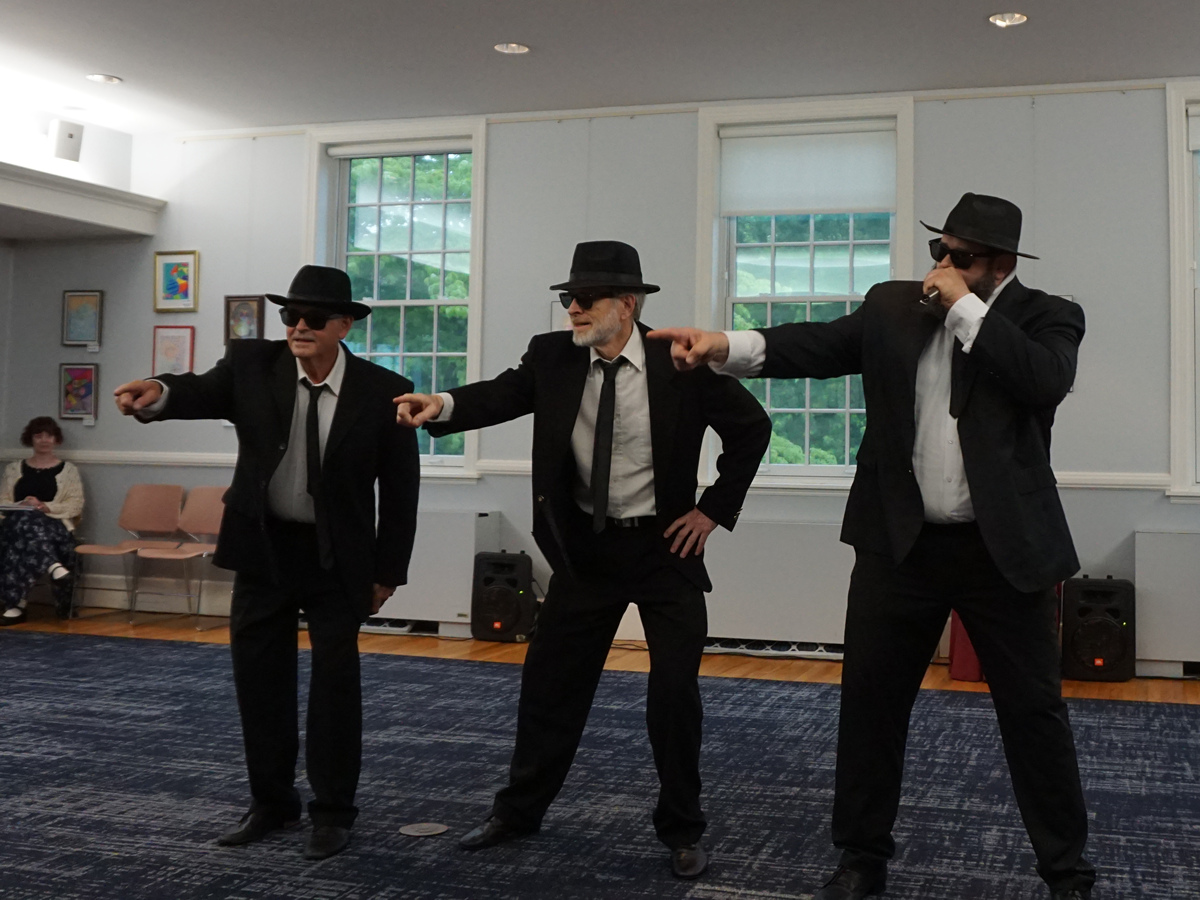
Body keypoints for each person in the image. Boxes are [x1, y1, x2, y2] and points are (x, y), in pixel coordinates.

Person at [649, 194, 1094, 900]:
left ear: (1002, 263)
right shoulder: (892, 307)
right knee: (870, 708)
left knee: (1033, 715)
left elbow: (1044, 380)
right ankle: (861, 857)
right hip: (899, 547)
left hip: (1002, 553)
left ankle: (1065, 871)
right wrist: (722, 346)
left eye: (962, 257)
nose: (943, 264)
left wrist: (963, 309)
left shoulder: (1048, 316)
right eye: (939, 250)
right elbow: (815, 345)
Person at [395, 240, 771, 879]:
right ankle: (518, 813)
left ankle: (682, 829)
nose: (572, 308)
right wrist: (442, 407)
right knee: (550, 687)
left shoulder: (679, 362)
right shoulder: (553, 358)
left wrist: (712, 510)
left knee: (674, 693)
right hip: (585, 552)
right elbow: (502, 394)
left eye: (586, 298)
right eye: (569, 297)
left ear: (627, 304)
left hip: (664, 549)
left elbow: (751, 428)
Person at [113, 265, 420, 861]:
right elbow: (198, 390)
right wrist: (158, 391)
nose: (298, 326)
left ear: (344, 325)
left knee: (335, 685)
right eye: (290, 315)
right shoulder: (252, 364)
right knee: (259, 680)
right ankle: (272, 802)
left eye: (313, 318)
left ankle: (333, 812)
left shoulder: (384, 390)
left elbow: (401, 490)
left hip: (337, 558)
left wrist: (388, 571)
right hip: (263, 548)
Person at [0, 417, 83, 623]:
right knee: (23, 521)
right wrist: (21, 504)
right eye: (38, 436)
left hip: (53, 526)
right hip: (15, 523)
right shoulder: (13, 469)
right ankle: (54, 566)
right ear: (31, 439)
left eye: (49, 436)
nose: (44, 440)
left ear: (56, 440)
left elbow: (75, 504)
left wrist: (45, 506)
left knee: (21, 537)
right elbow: (3, 501)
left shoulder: (68, 470)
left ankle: (16, 606)